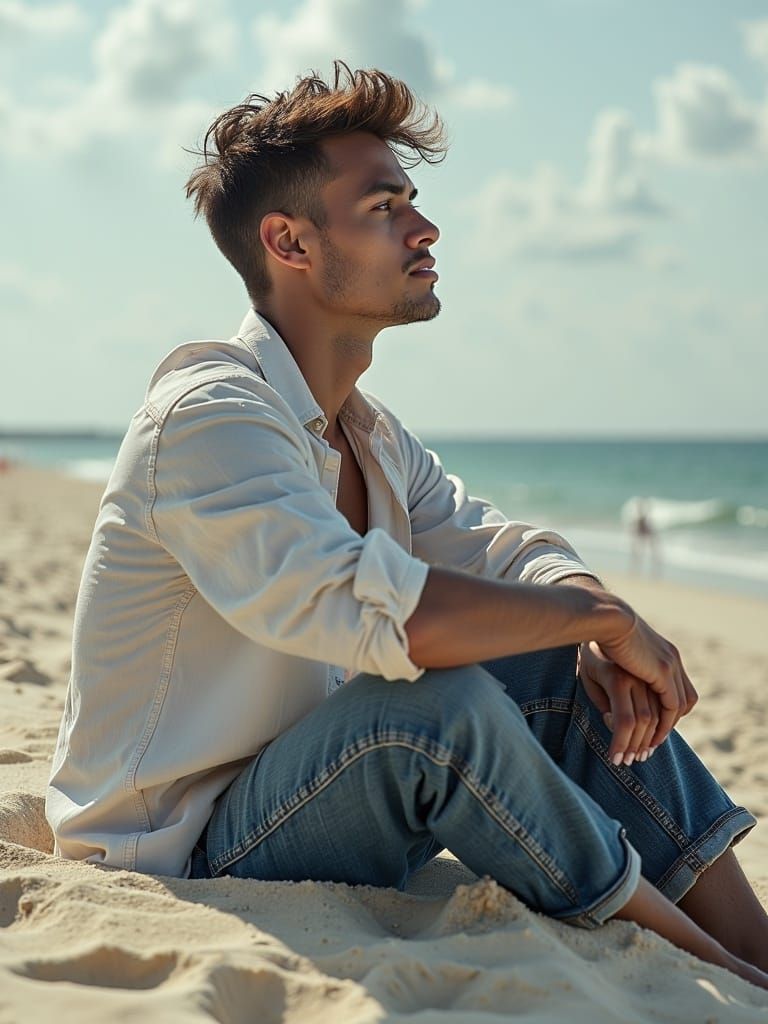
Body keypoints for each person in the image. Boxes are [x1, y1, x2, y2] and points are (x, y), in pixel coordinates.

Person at [46, 63, 768, 990]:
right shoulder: (208, 416)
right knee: (434, 706)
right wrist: (609, 620)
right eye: (384, 207)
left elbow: (502, 551)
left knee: (553, 655)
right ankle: (705, 962)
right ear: (290, 243)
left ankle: (750, 945)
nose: (425, 229)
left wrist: (587, 614)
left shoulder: (370, 437)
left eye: (412, 202)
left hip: (319, 802)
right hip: (178, 853)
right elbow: (381, 613)